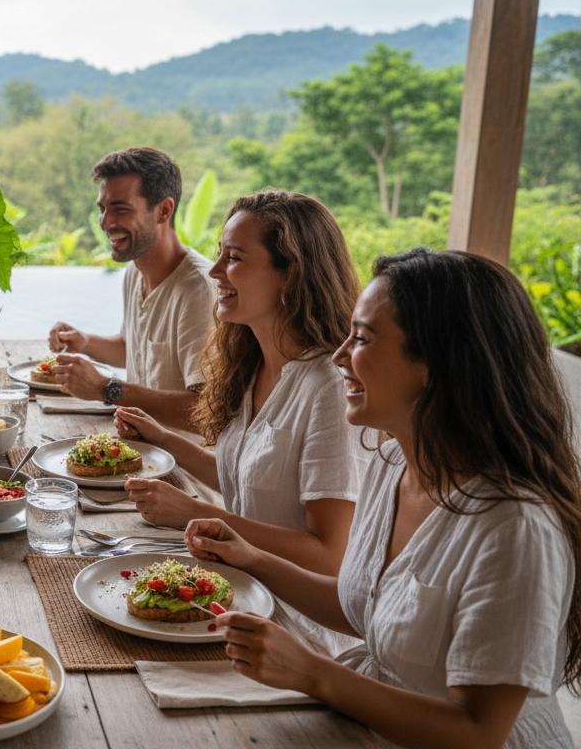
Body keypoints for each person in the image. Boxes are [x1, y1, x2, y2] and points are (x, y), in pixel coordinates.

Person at [186, 248, 579, 748]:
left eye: (364, 338)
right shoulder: (393, 462)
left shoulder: (513, 528)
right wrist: (249, 558)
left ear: (437, 364)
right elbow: (366, 605)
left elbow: (478, 733)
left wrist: (313, 673)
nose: (339, 355)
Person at [117, 191, 362, 576]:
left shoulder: (329, 388)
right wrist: (162, 438)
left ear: (290, 275)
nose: (214, 271)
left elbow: (329, 556)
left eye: (233, 258)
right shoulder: (253, 364)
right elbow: (244, 480)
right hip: (233, 582)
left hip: (289, 617)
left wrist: (195, 513)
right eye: (219, 254)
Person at [47, 147, 215, 430]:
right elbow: (134, 350)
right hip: (138, 454)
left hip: (181, 470)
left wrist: (106, 389)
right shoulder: (134, 271)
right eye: (102, 209)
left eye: (120, 209)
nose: (105, 223)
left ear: (164, 210)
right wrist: (85, 343)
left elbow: (206, 411)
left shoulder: (198, 289)